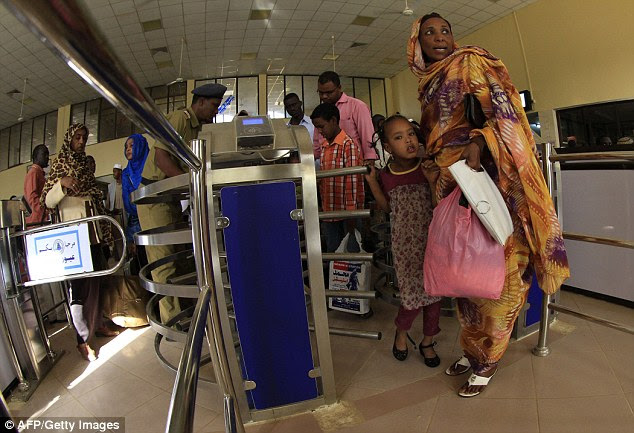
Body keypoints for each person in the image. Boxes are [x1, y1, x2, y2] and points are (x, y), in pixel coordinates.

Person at [408, 13, 569, 396]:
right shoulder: (427, 83)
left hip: (483, 180)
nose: (439, 37)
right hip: (449, 186)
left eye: (445, 29)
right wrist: (433, 168)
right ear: (416, 43)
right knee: (464, 275)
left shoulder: (471, 63)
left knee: (497, 274)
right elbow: (434, 137)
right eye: (429, 32)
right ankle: (472, 349)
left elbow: (507, 115)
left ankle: (490, 359)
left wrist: (479, 142)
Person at [137, 82, 227, 324]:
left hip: (170, 196)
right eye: (214, 105)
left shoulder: (197, 128)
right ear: (199, 102)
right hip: (155, 198)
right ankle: (173, 320)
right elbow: (161, 156)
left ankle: (187, 311)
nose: (216, 111)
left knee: (177, 257)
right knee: (163, 261)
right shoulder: (180, 118)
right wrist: (190, 185)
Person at [364, 115, 442, 366]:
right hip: (404, 245)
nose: (408, 140)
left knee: (435, 293)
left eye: (410, 133)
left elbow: (437, 206)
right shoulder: (387, 175)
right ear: (387, 147)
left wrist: (431, 183)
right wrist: (373, 182)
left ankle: (428, 340)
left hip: (433, 241)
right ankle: (402, 331)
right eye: (399, 137)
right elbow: (387, 208)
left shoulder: (427, 166)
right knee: (411, 296)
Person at [40, 123, 119, 361]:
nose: (81, 141)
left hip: (93, 229)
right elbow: (46, 200)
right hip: (73, 234)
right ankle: (83, 339)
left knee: (99, 281)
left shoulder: (87, 163)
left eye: (84, 137)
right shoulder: (59, 164)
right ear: (69, 139)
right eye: (77, 137)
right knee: (80, 288)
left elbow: (92, 191)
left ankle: (98, 324)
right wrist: (61, 183)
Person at [310, 103, 364, 253]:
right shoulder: (325, 146)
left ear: (333, 120)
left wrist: (351, 215)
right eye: (317, 128)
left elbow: (352, 182)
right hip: (329, 211)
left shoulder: (348, 145)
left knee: (351, 256)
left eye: (321, 126)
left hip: (347, 214)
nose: (320, 132)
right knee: (334, 254)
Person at [314, 71, 377, 165]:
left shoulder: (357, 106)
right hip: (329, 164)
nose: (324, 97)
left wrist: (370, 160)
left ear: (339, 88)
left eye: (329, 93)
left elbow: (367, 135)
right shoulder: (320, 111)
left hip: (353, 162)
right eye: (321, 93)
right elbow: (317, 142)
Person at [122, 134, 149, 249]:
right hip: (135, 222)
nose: (128, 149)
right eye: (126, 146)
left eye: (132, 145)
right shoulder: (125, 173)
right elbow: (127, 201)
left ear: (140, 146)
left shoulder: (150, 167)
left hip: (152, 215)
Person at [24, 144, 49, 225]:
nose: (47, 157)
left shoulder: (39, 173)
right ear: (35, 156)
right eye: (44, 154)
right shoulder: (33, 172)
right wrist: (43, 213)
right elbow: (32, 197)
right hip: (37, 222)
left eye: (47, 154)